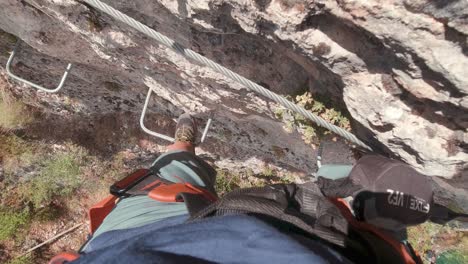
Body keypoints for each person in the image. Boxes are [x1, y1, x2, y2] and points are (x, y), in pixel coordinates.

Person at [51, 113, 443, 264]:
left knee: (167, 180)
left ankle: (182, 144)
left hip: (127, 243)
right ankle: (358, 203)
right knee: (383, 211)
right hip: (299, 243)